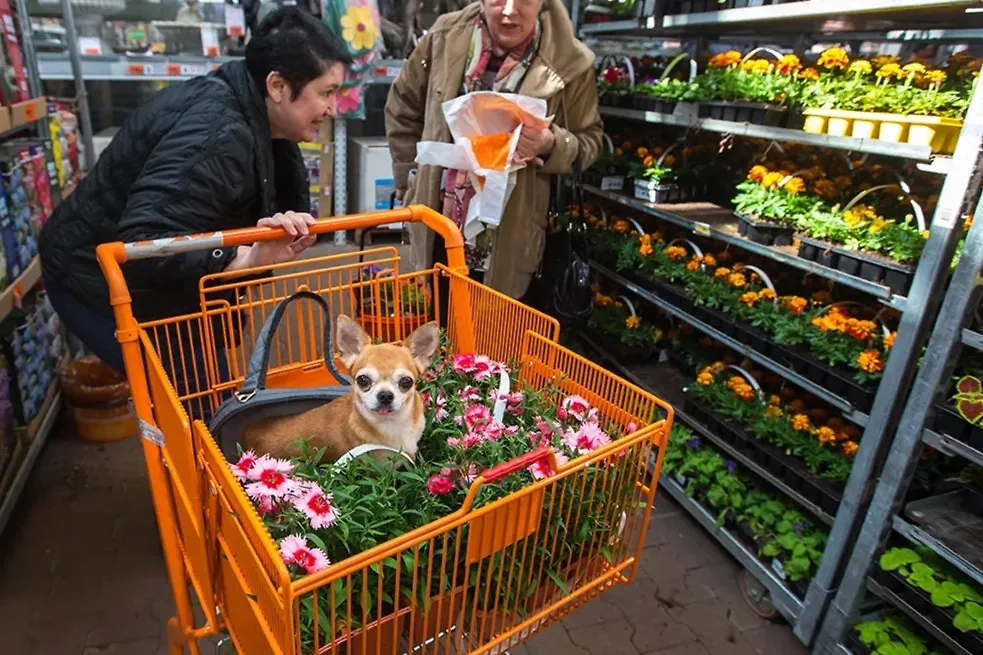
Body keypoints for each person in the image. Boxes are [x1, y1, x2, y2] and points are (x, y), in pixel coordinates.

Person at [38, 7, 351, 400]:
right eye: (326, 93)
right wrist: (242, 258)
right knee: (197, 400)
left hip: (156, 286)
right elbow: (146, 242)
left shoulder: (260, 117)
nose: (333, 108)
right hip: (90, 278)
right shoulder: (217, 134)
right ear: (277, 86)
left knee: (207, 391)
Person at [385, 0, 603, 309]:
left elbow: (590, 142)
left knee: (497, 331)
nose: (510, 11)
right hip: (439, 226)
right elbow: (402, 107)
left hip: (512, 239)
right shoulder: (444, 37)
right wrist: (410, 180)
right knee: (438, 322)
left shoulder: (571, 62)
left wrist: (550, 144)